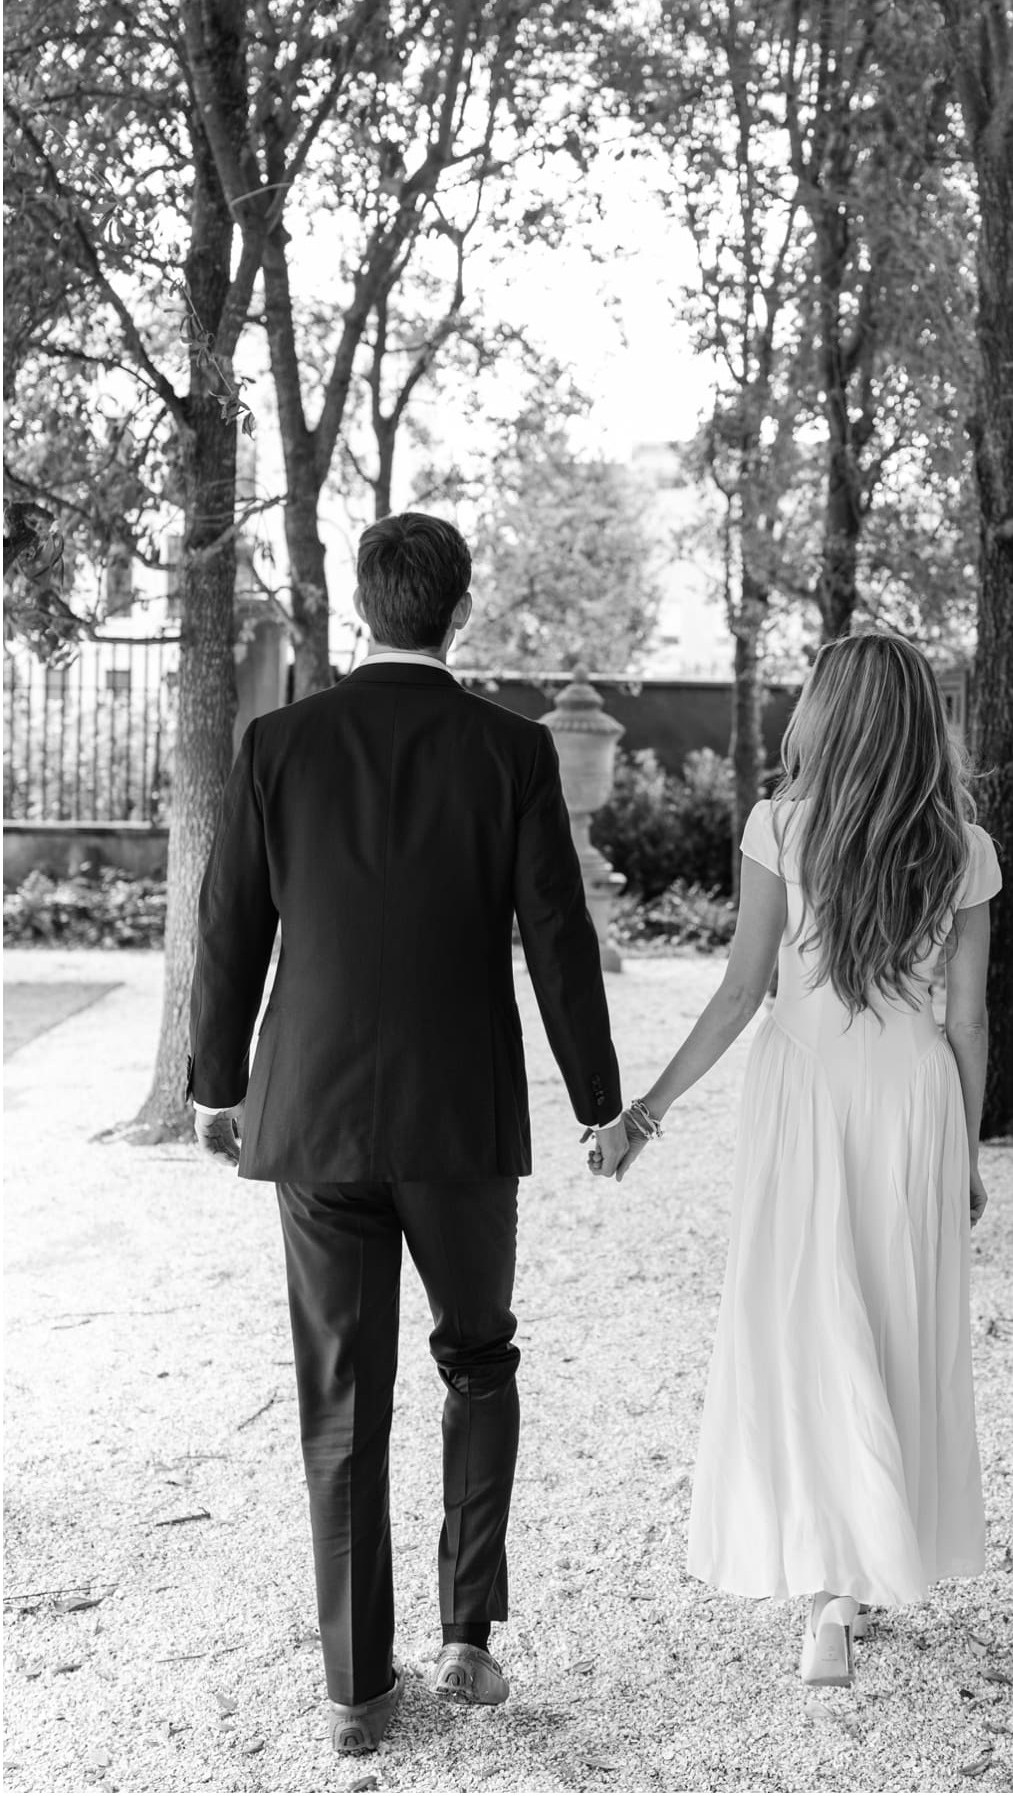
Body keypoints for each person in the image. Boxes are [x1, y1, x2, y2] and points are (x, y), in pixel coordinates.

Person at [187, 512, 631, 1756]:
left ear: (361, 614)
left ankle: (353, 1692)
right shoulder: (509, 752)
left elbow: (231, 927)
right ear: (459, 612)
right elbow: (558, 938)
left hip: (314, 1116)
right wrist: (598, 1102)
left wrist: (217, 1086)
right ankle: (467, 1631)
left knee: (340, 1398)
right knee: (479, 1359)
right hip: (459, 1121)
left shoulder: (279, 742)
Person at [613, 630, 1000, 1687]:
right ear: (922, 721)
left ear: (826, 715)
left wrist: (645, 1114)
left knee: (809, 1320)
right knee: (890, 1317)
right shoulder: (961, 848)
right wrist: (962, 1155)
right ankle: (852, 1575)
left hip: (804, 1091)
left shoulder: (778, 827)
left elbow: (743, 994)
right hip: (912, 1096)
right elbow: (966, 1025)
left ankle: (830, 1582)